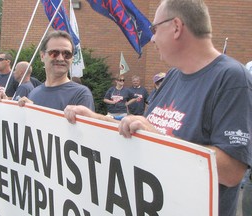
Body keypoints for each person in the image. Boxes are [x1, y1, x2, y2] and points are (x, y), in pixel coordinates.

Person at [63, 1, 252, 215]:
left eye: (154, 29)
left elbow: (231, 171)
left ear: (177, 27)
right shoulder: (172, 75)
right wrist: (94, 118)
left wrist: (159, 138)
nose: (152, 38)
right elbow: (141, 129)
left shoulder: (231, 78)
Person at [18, 30, 94, 111]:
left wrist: (36, 113)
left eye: (67, 54)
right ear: (42, 56)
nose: (61, 58)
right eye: (54, 53)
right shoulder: (33, 93)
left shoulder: (81, 94)